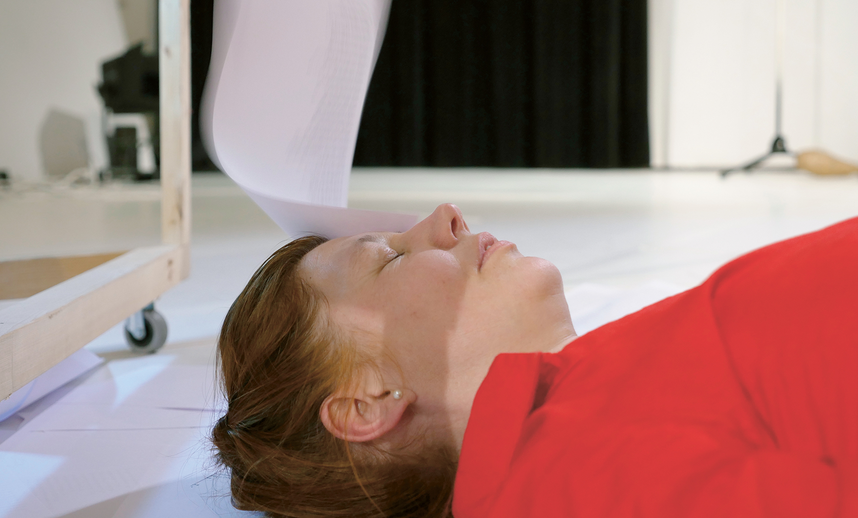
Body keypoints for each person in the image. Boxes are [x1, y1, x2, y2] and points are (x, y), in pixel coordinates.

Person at [212, 203, 858, 517]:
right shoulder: (569, 487)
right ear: (367, 402)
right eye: (391, 259)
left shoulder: (579, 404)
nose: (446, 216)